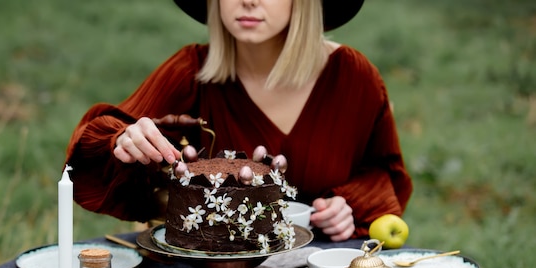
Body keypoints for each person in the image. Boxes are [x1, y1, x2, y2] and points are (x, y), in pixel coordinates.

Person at [65, 0, 413, 242]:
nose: (248, 1)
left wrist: (346, 204)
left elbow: (383, 173)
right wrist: (124, 140)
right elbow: (95, 147)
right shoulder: (192, 72)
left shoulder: (353, 77)